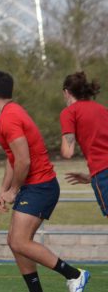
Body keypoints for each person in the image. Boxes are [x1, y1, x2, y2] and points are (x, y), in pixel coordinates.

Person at [0, 71, 89, 292]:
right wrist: (4, 190)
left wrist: (14, 190)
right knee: (14, 241)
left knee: (20, 241)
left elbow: (24, 161)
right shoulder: (8, 115)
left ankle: (74, 275)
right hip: (33, 186)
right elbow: (12, 160)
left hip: (40, 186)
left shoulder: (9, 118)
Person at [59, 71, 108, 219]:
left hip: (103, 173)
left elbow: (68, 152)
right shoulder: (102, 109)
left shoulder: (69, 112)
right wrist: (90, 177)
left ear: (66, 92)